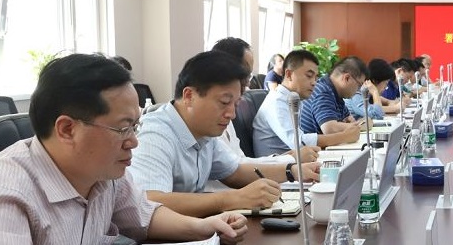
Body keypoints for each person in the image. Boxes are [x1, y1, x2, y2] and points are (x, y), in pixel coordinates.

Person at [0, 54, 247, 245]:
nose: (134, 142)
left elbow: (144, 215)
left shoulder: (103, 172)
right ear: (67, 129)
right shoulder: (4, 185)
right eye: (123, 129)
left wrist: (203, 227)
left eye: (135, 126)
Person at [128, 50, 320, 218]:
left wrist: (292, 171)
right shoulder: (156, 133)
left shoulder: (204, 131)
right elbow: (150, 200)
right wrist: (232, 199)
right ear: (189, 96)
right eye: (224, 102)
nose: (232, 114)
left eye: (235, 104)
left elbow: (234, 172)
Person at [253, 50, 359, 155]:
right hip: (280, 163)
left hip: (297, 160)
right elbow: (298, 142)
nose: (314, 83)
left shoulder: (294, 99)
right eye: (309, 76)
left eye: (315, 77)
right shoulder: (276, 101)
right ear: (289, 74)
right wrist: (344, 136)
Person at [299, 56, 364, 143]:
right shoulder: (323, 91)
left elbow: (350, 120)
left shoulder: (336, 92)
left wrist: (347, 125)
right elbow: (329, 129)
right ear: (347, 78)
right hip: (311, 149)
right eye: (359, 85)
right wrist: (353, 126)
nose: (358, 90)